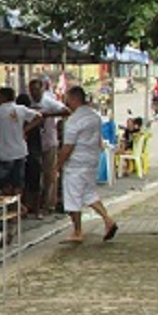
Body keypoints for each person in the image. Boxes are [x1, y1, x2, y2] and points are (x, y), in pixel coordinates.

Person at [53, 86, 119, 244]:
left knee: (72, 197)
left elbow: (68, 147)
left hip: (76, 163)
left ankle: (77, 231)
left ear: (74, 99)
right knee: (89, 193)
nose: (66, 102)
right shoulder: (94, 116)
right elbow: (98, 139)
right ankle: (107, 219)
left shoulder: (74, 121)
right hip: (92, 159)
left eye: (67, 98)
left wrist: (56, 166)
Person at [0, 87, 42, 201]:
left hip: (4, 153)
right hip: (20, 152)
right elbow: (39, 116)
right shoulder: (21, 109)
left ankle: (9, 207)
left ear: (3, 97)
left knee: (3, 184)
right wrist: (25, 129)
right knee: (18, 184)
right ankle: (16, 209)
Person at [28, 78, 69, 214]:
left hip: (49, 142)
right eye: (32, 90)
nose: (34, 93)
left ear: (42, 89)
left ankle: (49, 204)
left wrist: (47, 115)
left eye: (36, 90)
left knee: (49, 174)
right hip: (33, 144)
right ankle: (34, 204)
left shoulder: (49, 102)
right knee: (34, 175)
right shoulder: (28, 103)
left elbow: (66, 111)